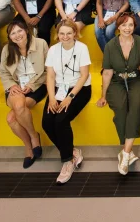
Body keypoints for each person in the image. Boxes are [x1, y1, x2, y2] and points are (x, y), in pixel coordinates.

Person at [96, 13, 140, 175]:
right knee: (120, 109)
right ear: (118, 27)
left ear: (134, 27)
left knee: (136, 106)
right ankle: (127, 151)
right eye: (124, 25)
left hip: (136, 80)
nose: (127, 28)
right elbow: (107, 72)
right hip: (116, 80)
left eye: (130, 25)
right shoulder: (110, 46)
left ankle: (125, 153)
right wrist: (103, 95)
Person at [43, 20, 92, 184]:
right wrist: (52, 98)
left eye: (69, 33)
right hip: (58, 89)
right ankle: (72, 151)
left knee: (61, 120)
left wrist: (69, 97)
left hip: (79, 89)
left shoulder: (82, 48)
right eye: (62, 33)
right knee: (47, 122)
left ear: (75, 34)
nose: (65, 37)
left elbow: (84, 75)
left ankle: (67, 161)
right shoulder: (53, 50)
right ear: (57, 35)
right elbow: (50, 76)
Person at [0, 19, 49, 168]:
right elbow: (3, 72)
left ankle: (31, 142)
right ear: (9, 37)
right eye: (13, 33)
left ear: (26, 30)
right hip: (15, 88)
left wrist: (31, 85)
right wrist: (12, 85)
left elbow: (48, 70)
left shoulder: (41, 44)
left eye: (19, 31)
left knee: (11, 118)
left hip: (37, 86)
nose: (17, 35)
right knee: (19, 105)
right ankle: (32, 139)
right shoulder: (7, 49)